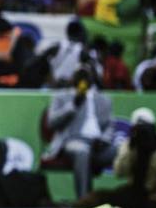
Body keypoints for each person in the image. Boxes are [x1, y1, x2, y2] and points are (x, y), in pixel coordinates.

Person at [44, 65, 114, 198]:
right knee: (83, 152)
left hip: (99, 143)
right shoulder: (62, 97)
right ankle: (84, 200)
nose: (84, 80)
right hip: (73, 140)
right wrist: (74, 105)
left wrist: (104, 139)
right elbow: (51, 122)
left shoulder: (104, 99)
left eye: (87, 76)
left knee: (126, 150)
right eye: (80, 76)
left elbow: (110, 125)